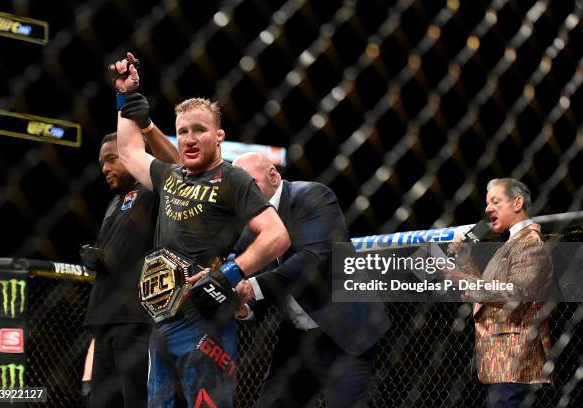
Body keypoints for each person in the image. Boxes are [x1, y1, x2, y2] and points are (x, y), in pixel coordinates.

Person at [111, 54, 290, 407]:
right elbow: (129, 151)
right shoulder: (169, 175)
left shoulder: (232, 179)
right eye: (182, 132)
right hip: (162, 316)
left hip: (205, 318)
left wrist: (227, 275)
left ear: (219, 135)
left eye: (199, 130)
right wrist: (124, 97)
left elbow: (276, 234)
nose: (189, 139)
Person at [232, 152, 391, 408]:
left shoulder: (312, 197)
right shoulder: (252, 224)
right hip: (298, 337)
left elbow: (311, 260)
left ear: (273, 174)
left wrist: (253, 286)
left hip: (344, 328)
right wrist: (241, 305)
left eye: (250, 184)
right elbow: (235, 264)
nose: (245, 194)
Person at [82, 130, 174, 408]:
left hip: (137, 317)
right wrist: (95, 260)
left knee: (138, 399)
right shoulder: (114, 203)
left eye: (111, 160)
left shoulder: (151, 188)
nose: (106, 169)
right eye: (102, 164)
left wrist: (144, 131)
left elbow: (175, 168)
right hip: (104, 317)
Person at [447, 178, 553, 408]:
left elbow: (516, 293)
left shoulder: (530, 243)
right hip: (500, 361)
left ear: (517, 203)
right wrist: (465, 261)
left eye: (495, 201)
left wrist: (460, 277)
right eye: (487, 203)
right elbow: (488, 291)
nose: (487, 209)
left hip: (515, 361)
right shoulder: (512, 244)